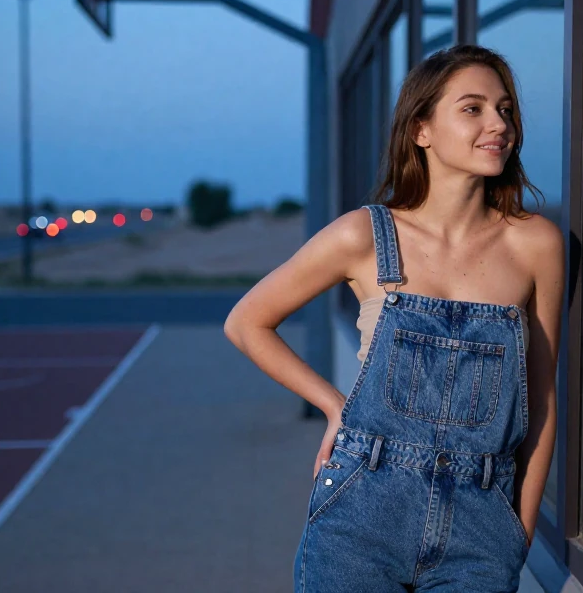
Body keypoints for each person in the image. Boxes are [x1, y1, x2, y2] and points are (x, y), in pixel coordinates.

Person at [224, 44, 564, 592]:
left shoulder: (536, 245)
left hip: (482, 529)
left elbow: (542, 403)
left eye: (505, 109)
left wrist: (516, 535)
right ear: (421, 130)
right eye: (472, 108)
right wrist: (336, 407)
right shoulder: (364, 235)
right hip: (360, 518)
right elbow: (247, 322)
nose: (498, 124)